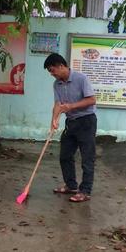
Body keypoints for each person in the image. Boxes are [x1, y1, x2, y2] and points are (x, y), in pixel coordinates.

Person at [44, 54, 97, 203]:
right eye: (49, 71)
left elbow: (92, 100)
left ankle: (85, 191)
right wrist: (53, 121)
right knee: (65, 156)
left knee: (87, 158)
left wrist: (71, 106)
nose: (51, 74)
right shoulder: (57, 84)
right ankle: (71, 185)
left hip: (86, 121)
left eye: (52, 70)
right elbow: (58, 104)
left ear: (61, 66)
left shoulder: (81, 78)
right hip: (71, 122)